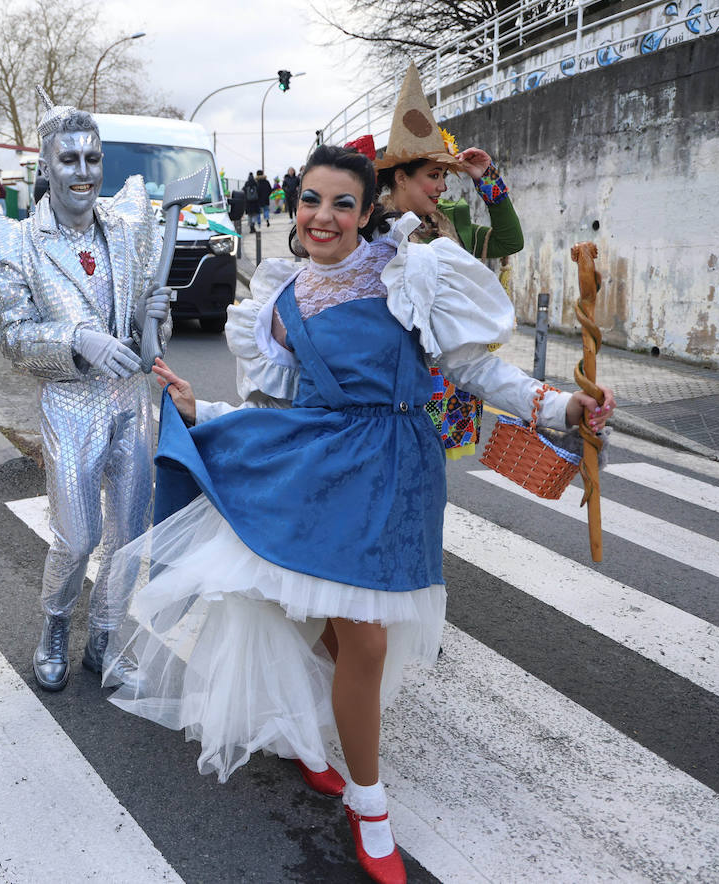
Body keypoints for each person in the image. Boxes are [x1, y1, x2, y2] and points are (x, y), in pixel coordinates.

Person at [103, 143, 613, 883]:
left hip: (396, 474)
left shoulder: (410, 273)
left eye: (344, 203)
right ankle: (367, 804)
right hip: (317, 472)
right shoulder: (273, 304)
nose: (324, 216)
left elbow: (473, 370)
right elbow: (274, 408)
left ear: (369, 211)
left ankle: (319, 746)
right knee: (352, 635)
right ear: (293, 205)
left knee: (351, 637)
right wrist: (199, 408)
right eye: (312, 199)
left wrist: (564, 407)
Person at [0, 89, 173, 692]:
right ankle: (55, 627)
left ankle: (103, 636)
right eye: (69, 160)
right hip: (71, 404)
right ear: (45, 167)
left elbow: (148, 340)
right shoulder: (22, 245)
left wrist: (156, 319)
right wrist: (77, 341)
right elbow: (13, 338)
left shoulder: (125, 232)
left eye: (93, 159)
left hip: (130, 402)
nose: (84, 172)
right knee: (76, 537)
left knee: (130, 534)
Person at [375, 62, 524, 460]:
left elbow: (511, 239)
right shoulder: (370, 230)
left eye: (444, 175)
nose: (442, 186)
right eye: (433, 175)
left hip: (450, 389)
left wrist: (486, 177)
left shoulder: (452, 223)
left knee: (429, 492)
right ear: (401, 177)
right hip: (394, 388)